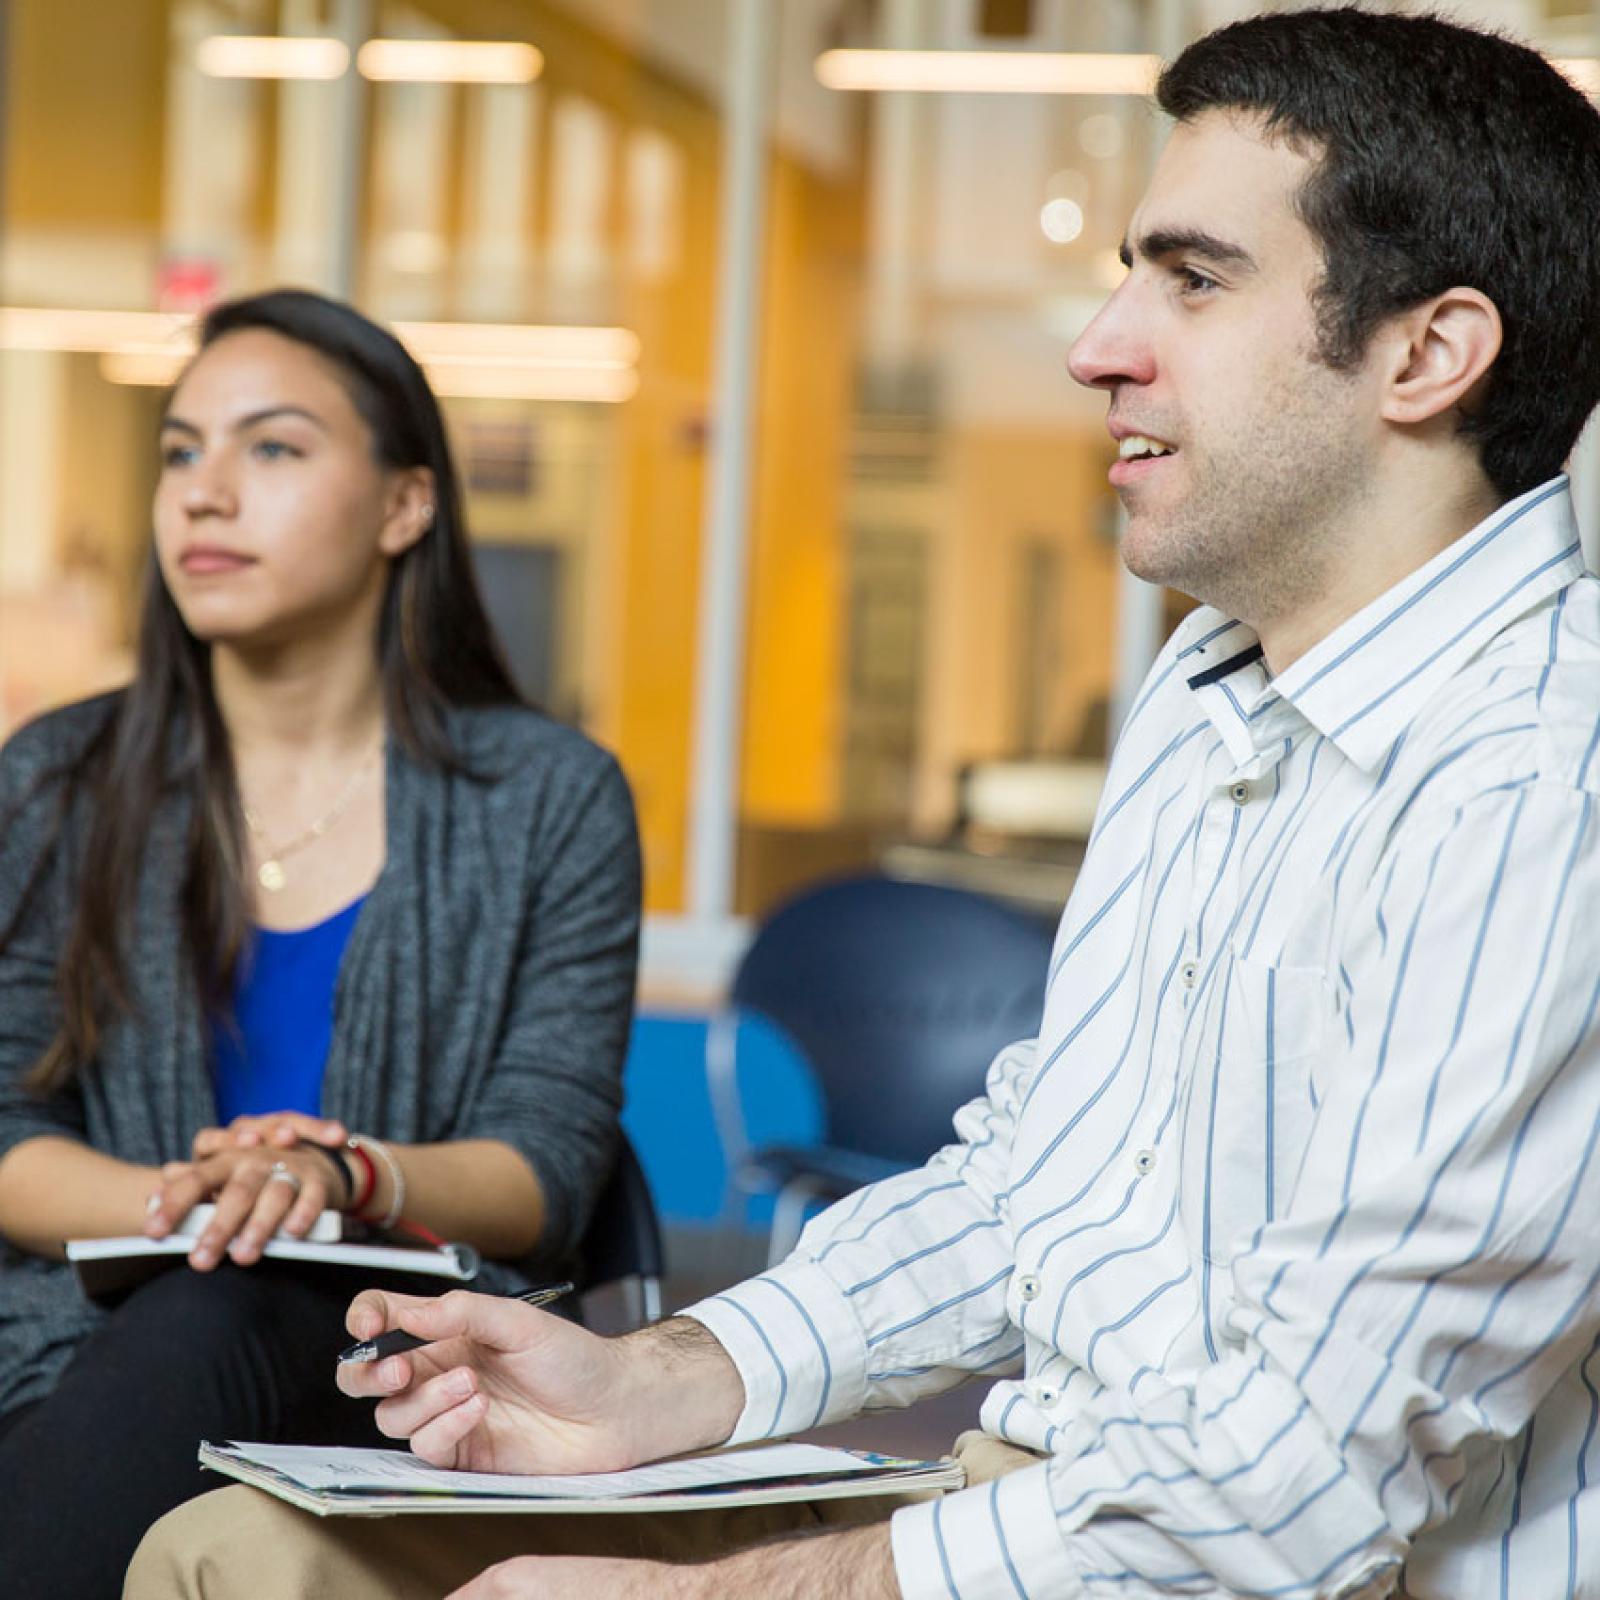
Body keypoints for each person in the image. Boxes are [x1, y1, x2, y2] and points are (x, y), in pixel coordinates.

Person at [129, 9, 1600, 1598]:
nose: (1099, 344)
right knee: (241, 1554)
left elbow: (1290, 1488)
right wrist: (665, 1376)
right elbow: (1046, 1183)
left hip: (1274, 1566)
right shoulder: (1212, 686)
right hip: (1040, 1490)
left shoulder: (1544, 780)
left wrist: (703, 1596)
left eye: (1194, 278)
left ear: (1430, 354)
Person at [0, 288, 641, 1599]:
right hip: (70, 1349)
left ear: (406, 504)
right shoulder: (59, 777)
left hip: (405, 1378)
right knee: (194, 1307)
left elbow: (547, 1163)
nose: (204, 494)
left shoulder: (548, 797)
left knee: (212, 1312)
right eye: (181, 451)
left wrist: (338, 1177)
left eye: (272, 449)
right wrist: (201, 1214)